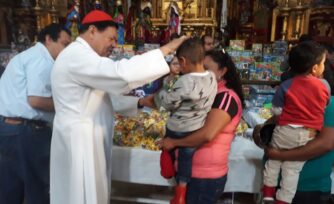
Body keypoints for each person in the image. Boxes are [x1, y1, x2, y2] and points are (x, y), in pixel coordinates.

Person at [50, 10, 187, 204]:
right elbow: (121, 73)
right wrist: (166, 50)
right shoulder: (77, 56)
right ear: (92, 31)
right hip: (80, 140)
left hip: (85, 134)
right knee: (81, 195)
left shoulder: (82, 57)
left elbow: (100, 98)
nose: (114, 45)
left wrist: (140, 102)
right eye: (111, 38)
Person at [158, 49, 244, 204]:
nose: (202, 74)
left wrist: (174, 142)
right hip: (188, 171)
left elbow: (207, 135)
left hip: (204, 177)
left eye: (207, 70)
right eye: (199, 69)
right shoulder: (200, 92)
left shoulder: (225, 97)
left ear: (222, 71)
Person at [0, 23, 71, 204]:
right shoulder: (43, 59)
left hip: (9, 128)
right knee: (39, 188)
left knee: (10, 189)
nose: (67, 50)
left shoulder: (26, 56)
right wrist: (68, 104)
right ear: (48, 39)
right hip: (28, 132)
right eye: (64, 44)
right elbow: (37, 100)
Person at [262, 41, 329, 204]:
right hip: (308, 133)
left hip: (285, 130)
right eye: (323, 63)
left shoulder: (286, 85)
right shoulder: (323, 87)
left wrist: (282, 117)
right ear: (314, 68)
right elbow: (324, 105)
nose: (324, 67)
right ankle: (283, 200)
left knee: (273, 161)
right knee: (291, 170)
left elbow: (276, 110)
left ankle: (268, 194)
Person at [153, 38, 217, 204]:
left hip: (177, 128)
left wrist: (164, 88)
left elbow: (167, 103)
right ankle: (181, 192)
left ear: (183, 61)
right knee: (186, 157)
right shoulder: (212, 77)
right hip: (196, 129)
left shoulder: (184, 81)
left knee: (168, 145)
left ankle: (166, 159)